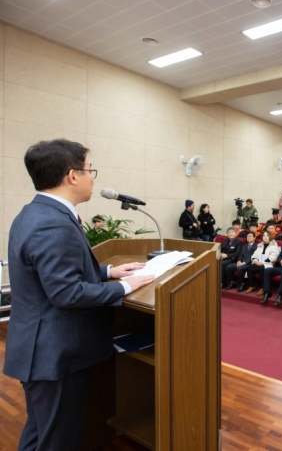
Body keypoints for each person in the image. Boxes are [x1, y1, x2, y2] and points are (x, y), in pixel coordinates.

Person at [4, 139, 155, 451]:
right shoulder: (52, 224)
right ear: (72, 176)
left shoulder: (34, 213)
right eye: (89, 170)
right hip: (54, 354)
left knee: (40, 434)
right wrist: (128, 286)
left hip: (40, 348)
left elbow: (44, 274)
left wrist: (108, 272)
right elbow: (66, 293)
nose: (92, 178)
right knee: (57, 441)